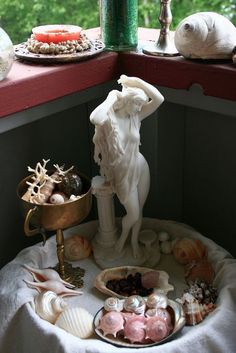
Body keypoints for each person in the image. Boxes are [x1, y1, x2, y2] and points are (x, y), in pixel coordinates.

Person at [90, 75, 164, 258]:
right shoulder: (110, 121)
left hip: (140, 164)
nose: (139, 108)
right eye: (136, 104)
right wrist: (113, 96)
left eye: (140, 105)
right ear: (126, 101)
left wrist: (136, 81)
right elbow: (95, 117)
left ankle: (133, 241)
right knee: (133, 213)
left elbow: (159, 99)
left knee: (140, 209)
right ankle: (123, 240)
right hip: (121, 173)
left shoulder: (135, 116)